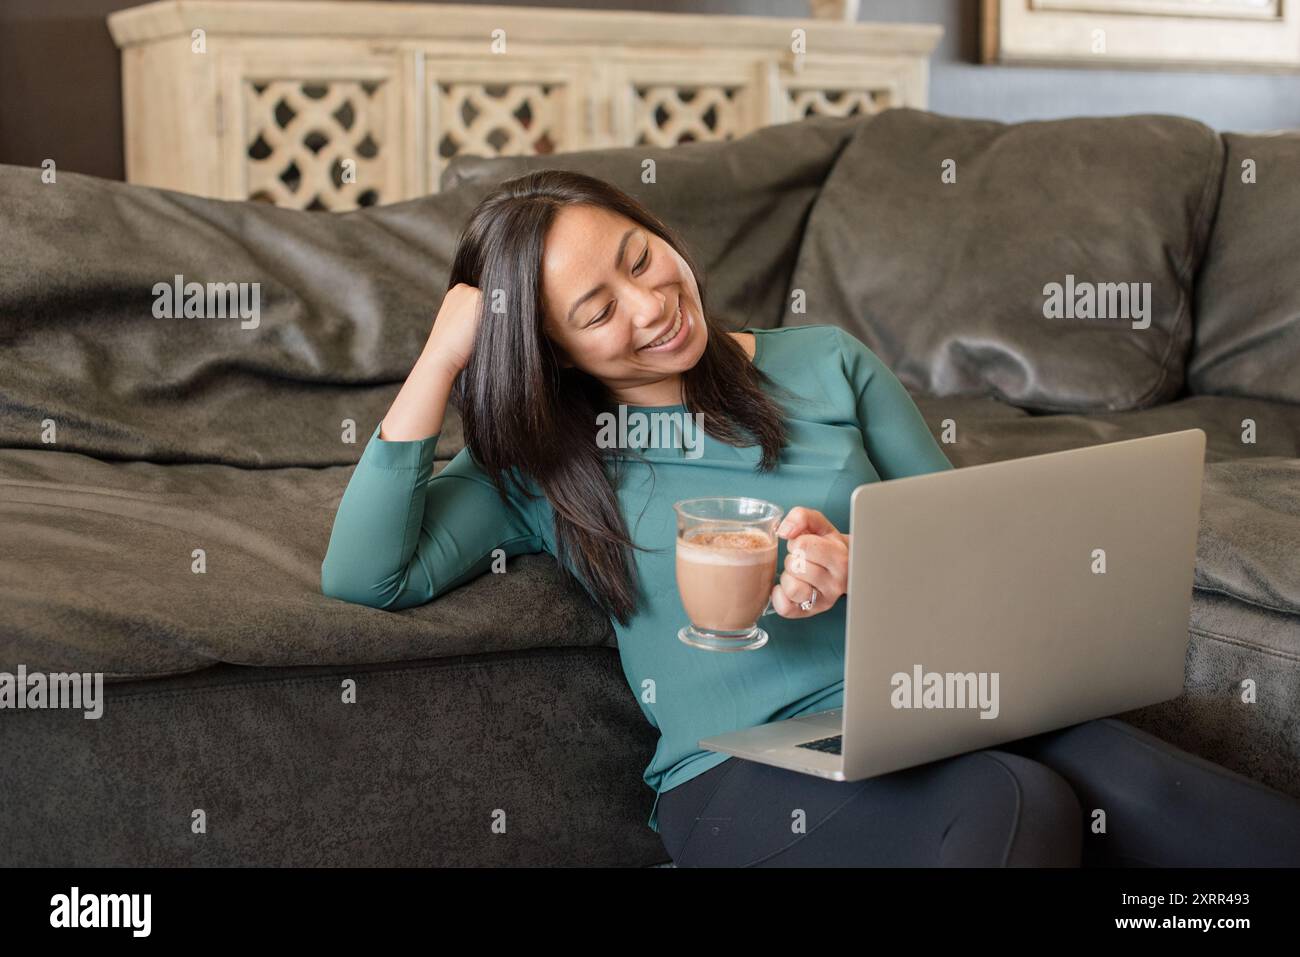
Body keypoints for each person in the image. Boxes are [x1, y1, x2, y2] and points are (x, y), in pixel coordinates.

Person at [320, 169, 1300, 867]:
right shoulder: (538, 466)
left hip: (936, 712)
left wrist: (862, 561)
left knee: (1166, 797)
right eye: (596, 309)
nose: (652, 303)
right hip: (738, 776)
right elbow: (366, 574)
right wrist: (442, 361)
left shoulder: (826, 362)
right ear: (554, 354)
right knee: (1012, 802)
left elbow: (965, 538)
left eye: (640, 256)